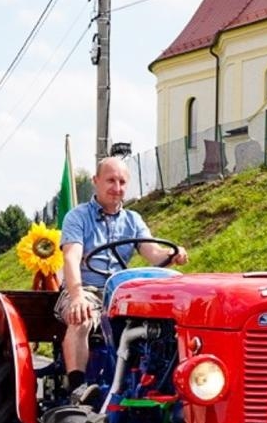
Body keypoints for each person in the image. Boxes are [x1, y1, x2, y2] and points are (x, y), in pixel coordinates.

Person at [56, 156, 188, 397]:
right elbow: (71, 258)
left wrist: (173, 254)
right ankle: (77, 387)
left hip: (120, 294)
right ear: (95, 181)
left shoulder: (133, 220)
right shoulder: (77, 217)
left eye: (122, 182)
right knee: (82, 317)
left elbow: (152, 253)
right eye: (110, 180)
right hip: (86, 289)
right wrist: (76, 297)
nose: (117, 188)